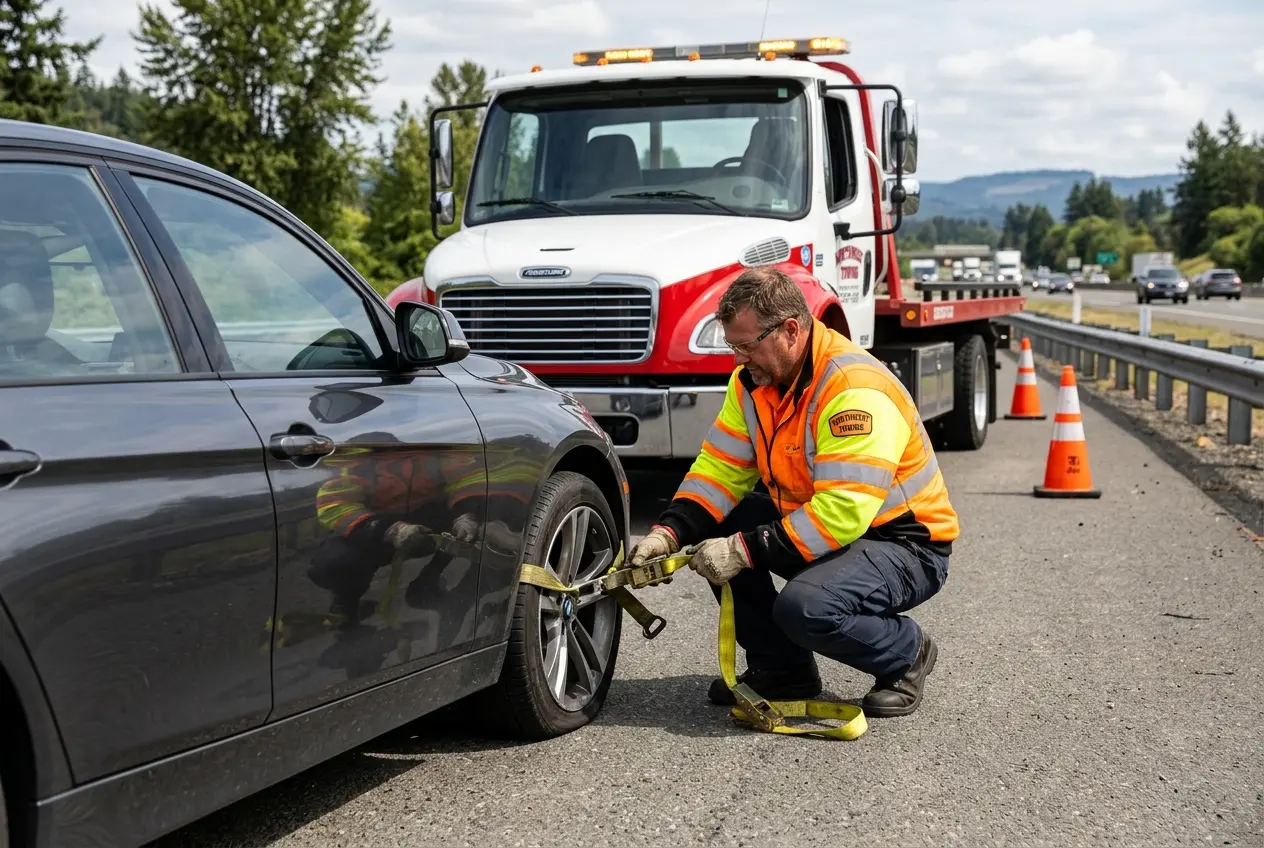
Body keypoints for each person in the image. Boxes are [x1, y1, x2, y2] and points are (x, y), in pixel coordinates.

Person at [631, 267, 959, 717]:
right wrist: (668, 533)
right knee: (720, 520)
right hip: (829, 526)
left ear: (790, 330)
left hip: (903, 545)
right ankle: (782, 670)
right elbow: (720, 470)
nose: (739, 358)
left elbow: (842, 512)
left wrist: (743, 551)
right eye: (733, 346)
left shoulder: (853, 389)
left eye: (747, 346)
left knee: (804, 608)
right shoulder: (753, 383)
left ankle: (905, 652)